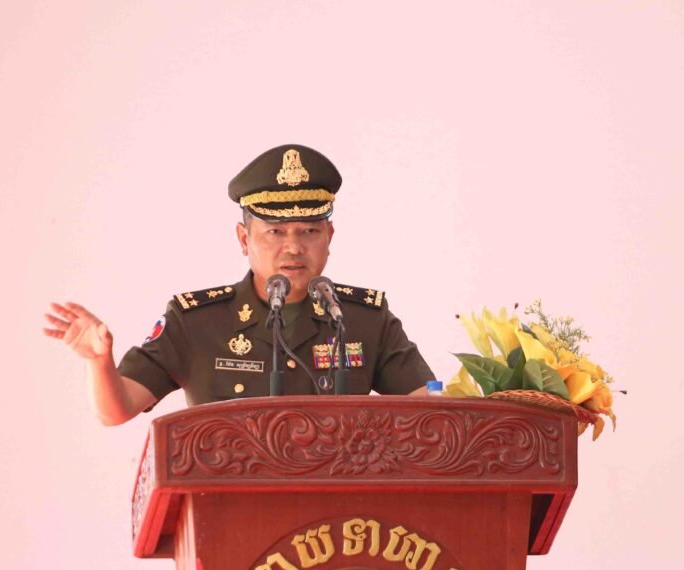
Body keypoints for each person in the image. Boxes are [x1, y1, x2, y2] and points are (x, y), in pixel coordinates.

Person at [43, 144, 434, 424]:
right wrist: (99, 362)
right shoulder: (196, 322)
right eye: (275, 232)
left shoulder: (363, 320)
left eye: (309, 231)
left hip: (340, 511)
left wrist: (470, 392)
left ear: (329, 237)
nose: (293, 247)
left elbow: (434, 406)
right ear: (244, 239)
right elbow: (118, 409)